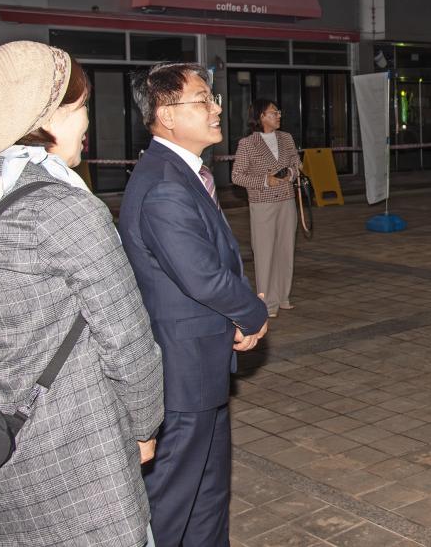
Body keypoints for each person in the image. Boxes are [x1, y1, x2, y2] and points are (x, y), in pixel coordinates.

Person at [0, 41, 164, 546]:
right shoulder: (65, 210)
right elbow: (126, 337)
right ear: (46, 116)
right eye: (80, 107)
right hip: (79, 452)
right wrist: (145, 421)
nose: (88, 122)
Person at [120, 63, 269, 547]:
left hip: (201, 363)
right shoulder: (164, 182)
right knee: (172, 504)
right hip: (181, 372)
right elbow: (201, 275)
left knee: (207, 498)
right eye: (203, 99)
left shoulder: (184, 173)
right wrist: (251, 311)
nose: (217, 108)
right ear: (166, 115)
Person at [231, 98, 302, 318]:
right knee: (264, 252)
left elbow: (297, 164)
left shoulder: (286, 138)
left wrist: (290, 174)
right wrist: (265, 180)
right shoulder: (247, 143)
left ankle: (283, 297)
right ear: (261, 116)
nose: (278, 115)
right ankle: (267, 302)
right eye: (273, 112)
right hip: (263, 203)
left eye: (278, 112)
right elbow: (237, 176)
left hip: (286, 200)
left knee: (286, 248)